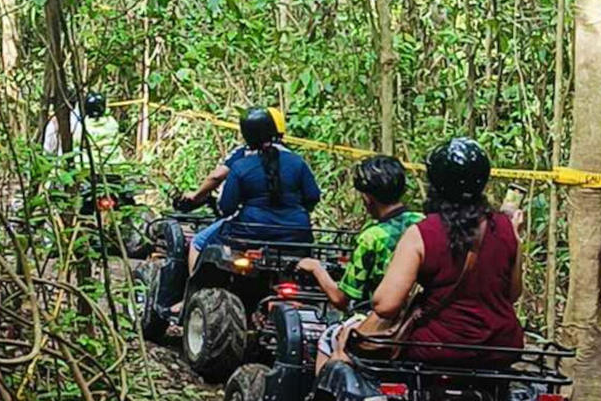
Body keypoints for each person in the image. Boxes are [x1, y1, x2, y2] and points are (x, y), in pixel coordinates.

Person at [371, 137, 524, 366]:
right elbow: (512, 294)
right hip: (499, 348)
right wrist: (515, 237)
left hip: (437, 348)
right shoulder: (505, 228)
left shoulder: (422, 234)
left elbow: (386, 305)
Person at [296, 155, 423, 373]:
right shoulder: (423, 223)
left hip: (379, 320)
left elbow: (342, 299)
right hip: (418, 316)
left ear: (367, 198)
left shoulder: (371, 238)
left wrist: (316, 268)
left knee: (328, 338)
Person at [187, 107, 320, 273]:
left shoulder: (241, 165)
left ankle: (193, 290)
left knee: (198, 242)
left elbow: (227, 208)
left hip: (249, 232)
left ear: (246, 135)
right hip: (296, 233)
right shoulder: (296, 161)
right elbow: (313, 196)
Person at [180, 107, 287, 207]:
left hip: (249, 219)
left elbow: (216, 177)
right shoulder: (293, 157)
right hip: (291, 220)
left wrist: (196, 195)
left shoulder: (242, 156)